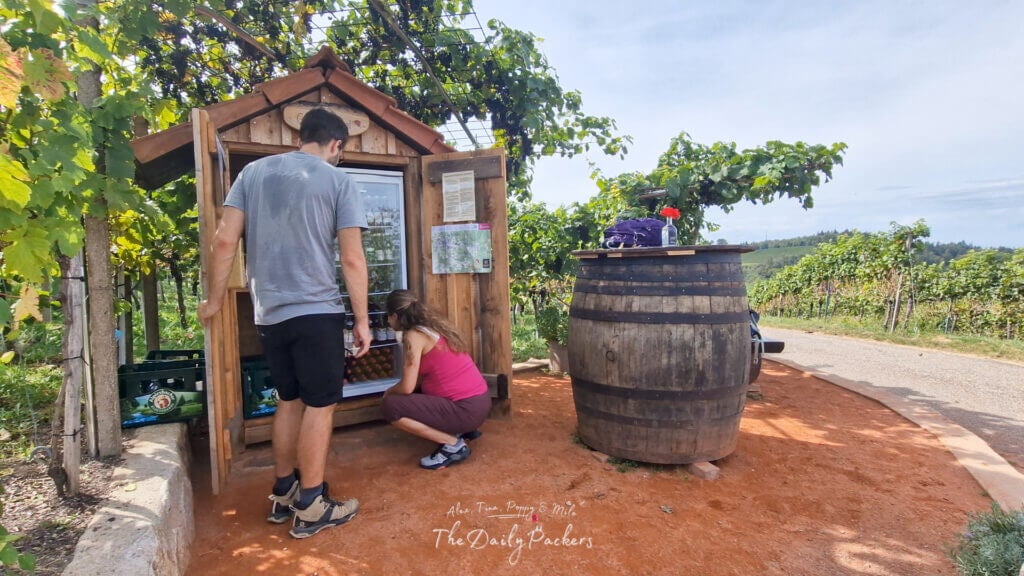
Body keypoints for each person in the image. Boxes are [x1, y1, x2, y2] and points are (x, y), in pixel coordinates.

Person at [197, 107, 371, 539]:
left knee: (288, 399)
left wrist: (214, 301)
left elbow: (223, 241)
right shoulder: (338, 180)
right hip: (316, 312)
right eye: (339, 152)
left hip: (269, 314)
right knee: (321, 404)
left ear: (301, 137)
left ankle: (283, 491)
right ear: (335, 145)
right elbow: (351, 258)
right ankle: (312, 505)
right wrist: (363, 321)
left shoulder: (253, 172)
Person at [380, 290, 491, 469]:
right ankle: (461, 430)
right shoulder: (433, 327)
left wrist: (388, 392)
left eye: (388, 317)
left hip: (466, 409)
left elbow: (407, 387)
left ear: (394, 316)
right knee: (418, 390)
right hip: (480, 402)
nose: (387, 321)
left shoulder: (413, 336)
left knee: (390, 407)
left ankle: (453, 445)